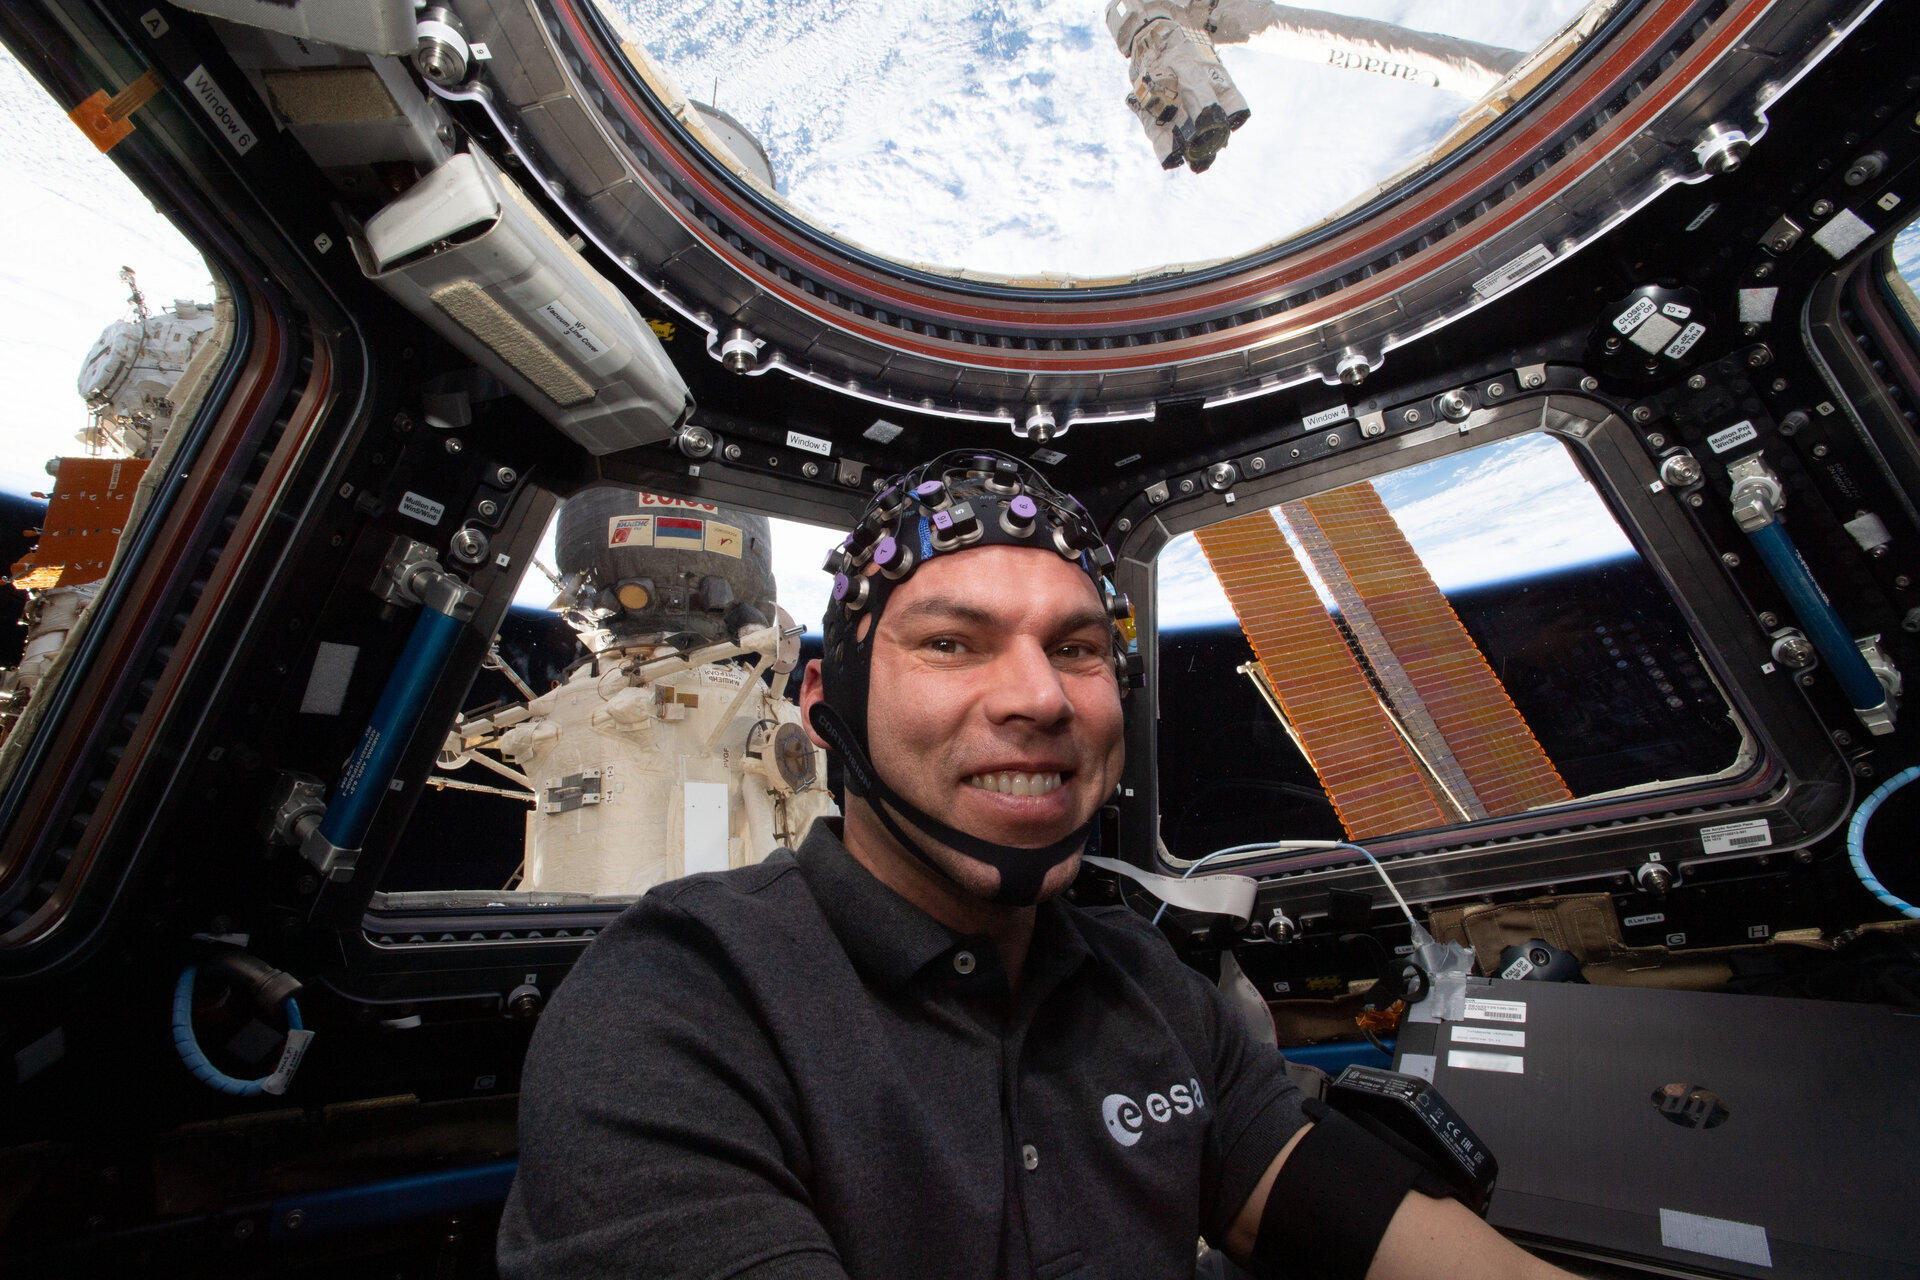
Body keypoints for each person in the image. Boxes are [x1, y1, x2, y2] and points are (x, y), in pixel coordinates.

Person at [499, 454, 1573, 1280]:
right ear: (822, 705)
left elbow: (1339, 1207)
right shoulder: (674, 1008)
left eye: (1077, 647)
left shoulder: (1153, 991)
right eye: (952, 642)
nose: (1042, 698)